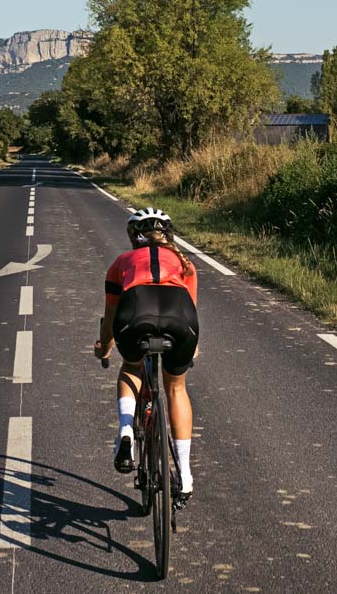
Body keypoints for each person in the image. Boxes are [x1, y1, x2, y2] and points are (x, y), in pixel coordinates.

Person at [94, 208, 199, 502]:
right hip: (180, 320)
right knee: (176, 386)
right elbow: (192, 312)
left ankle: (126, 429)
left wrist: (104, 347)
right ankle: (186, 474)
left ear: (133, 237)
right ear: (169, 234)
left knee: (131, 367)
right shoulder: (185, 263)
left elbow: (111, 316)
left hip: (135, 313)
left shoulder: (121, 263)